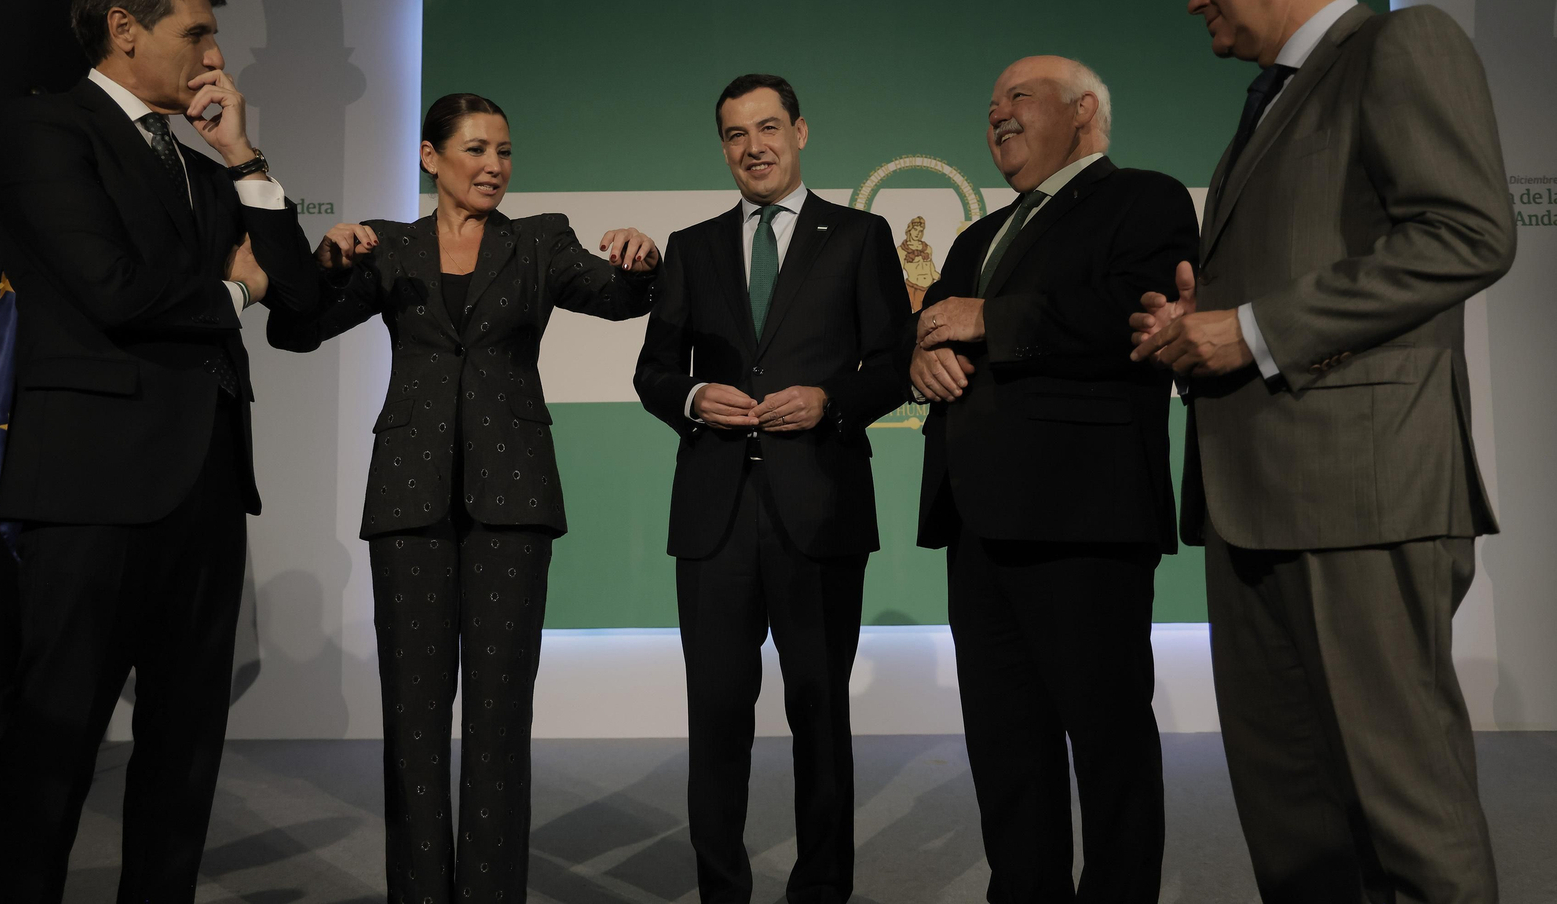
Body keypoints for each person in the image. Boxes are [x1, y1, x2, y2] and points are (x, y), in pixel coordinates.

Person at [1130, 0, 1514, 901]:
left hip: (1362, 501)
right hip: (1252, 505)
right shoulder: (1269, 103)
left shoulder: (1398, 45)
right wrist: (1198, 320)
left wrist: (1250, 329)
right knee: (1294, 825)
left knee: (1406, 818)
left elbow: (1467, 234)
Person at [0, 0, 318, 903]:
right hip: (92, 494)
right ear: (125, 29)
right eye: (196, 32)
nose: (214, 57)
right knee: (54, 746)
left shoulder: (204, 170)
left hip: (203, 492)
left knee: (185, 753)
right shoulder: (44, 127)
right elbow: (111, 287)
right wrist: (231, 287)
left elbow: (298, 297)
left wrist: (243, 158)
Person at [265, 92, 658, 903]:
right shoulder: (388, 244)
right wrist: (325, 262)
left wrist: (639, 258)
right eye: (476, 149)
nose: (494, 166)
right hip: (408, 496)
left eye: (505, 151)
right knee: (412, 719)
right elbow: (296, 329)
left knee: (499, 715)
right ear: (429, 157)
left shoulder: (539, 239)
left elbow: (619, 298)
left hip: (512, 496)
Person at [911, 57, 1198, 903]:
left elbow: (1136, 312)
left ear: (1083, 113)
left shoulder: (1143, 198)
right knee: (1006, 750)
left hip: (1086, 518)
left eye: (1017, 97)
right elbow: (926, 326)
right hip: (977, 523)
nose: (996, 113)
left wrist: (989, 319)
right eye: (990, 102)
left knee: (1107, 746)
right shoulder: (975, 237)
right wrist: (920, 359)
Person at [633, 74, 908, 904]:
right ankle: (723, 890)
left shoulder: (860, 236)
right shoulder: (693, 245)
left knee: (819, 718)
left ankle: (820, 892)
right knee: (716, 720)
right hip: (714, 519)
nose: (751, 147)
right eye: (733, 134)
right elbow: (653, 370)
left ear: (800, 131)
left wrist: (831, 400)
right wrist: (689, 397)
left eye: (766, 128)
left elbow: (895, 366)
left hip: (819, 509)